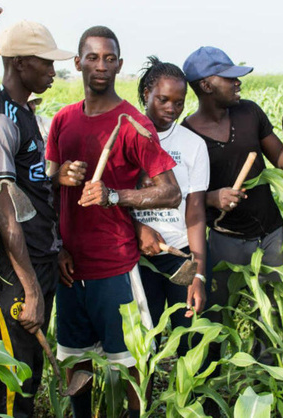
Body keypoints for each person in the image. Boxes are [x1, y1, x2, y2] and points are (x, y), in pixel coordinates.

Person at [45, 26, 181, 418]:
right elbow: (49, 189)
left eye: (109, 58)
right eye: (92, 57)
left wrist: (114, 196)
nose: (100, 66)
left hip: (114, 266)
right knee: (75, 361)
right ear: (77, 64)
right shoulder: (63, 121)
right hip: (71, 268)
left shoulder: (133, 123)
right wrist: (60, 181)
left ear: (119, 65)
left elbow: (170, 191)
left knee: (133, 363)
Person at [0, 20, 76, 418]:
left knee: (30, 367)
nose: (53, 71)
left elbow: (35, 191)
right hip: (18, 269)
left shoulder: (25, 114)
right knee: (16, 376)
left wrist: (57, 247)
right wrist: (30, 289)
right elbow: (4, 212)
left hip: (41, 258)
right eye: (45, 62)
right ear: (18, 63)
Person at [180, 46, 283, 329]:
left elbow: (282, 161)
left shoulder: (249, 112)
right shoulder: (187, 134)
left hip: (272, 235)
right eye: (229, 78)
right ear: (206, 85)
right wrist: (214, 198)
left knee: (277, 316)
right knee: (216, 317)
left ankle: (270, 369)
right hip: (226, 241)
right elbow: (184, 197)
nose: (238, 82)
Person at [131, 56, 209, 349]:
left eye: (179, 102)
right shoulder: (126, 137)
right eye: (163, 99)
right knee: (141, 346)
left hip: (180, 255)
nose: (172, 109)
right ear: (145, 94)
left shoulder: (192, 145)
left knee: (189, 341)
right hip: (135, 257)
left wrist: (197, 272)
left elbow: (196, 212)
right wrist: (139, 229)